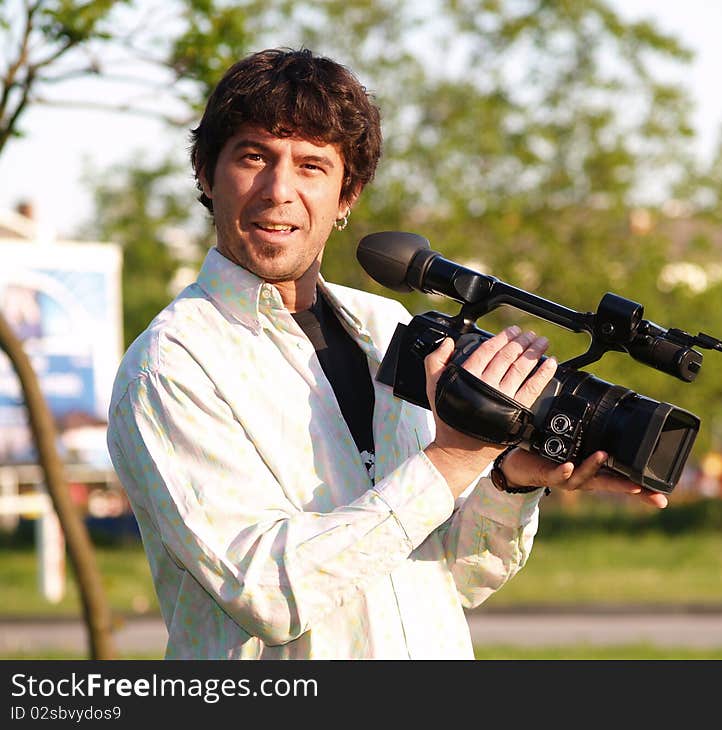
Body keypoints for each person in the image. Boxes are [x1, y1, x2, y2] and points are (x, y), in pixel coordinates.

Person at [107, 47, 666, 660]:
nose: (279, 190)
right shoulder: (172, 365)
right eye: (254, 156)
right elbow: (265, 592)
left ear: (348, 194)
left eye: (312, 166)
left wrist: (506, 481)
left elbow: (448, 575)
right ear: (207, 175)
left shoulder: (385, 325)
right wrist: (452, 461)